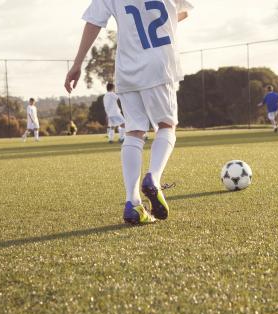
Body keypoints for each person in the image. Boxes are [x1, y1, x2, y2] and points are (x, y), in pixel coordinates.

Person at [65, 0, 193, 224]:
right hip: (159, 65)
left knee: (134, 131)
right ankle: (153, 177)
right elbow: (182, 13)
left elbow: (93, 22)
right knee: (166, 125)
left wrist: (77, 64)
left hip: (127, 68)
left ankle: (132, 204)